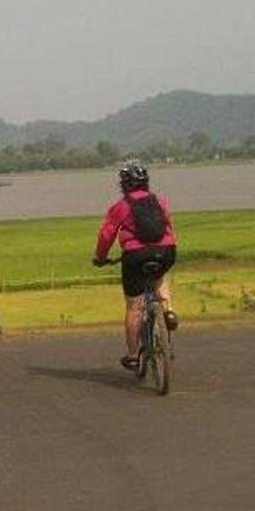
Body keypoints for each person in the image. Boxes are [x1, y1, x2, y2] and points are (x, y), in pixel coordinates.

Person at [92, 159, 180, 371]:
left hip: (135, 256)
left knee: (134, 305)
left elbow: (106, 235)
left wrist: (100, 257)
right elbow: (169, 225)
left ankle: (132, 355)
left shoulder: (121, 207)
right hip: (166, 251)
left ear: (124, 184)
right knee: (159, 278)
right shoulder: (160, 201)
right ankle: (168, 311)